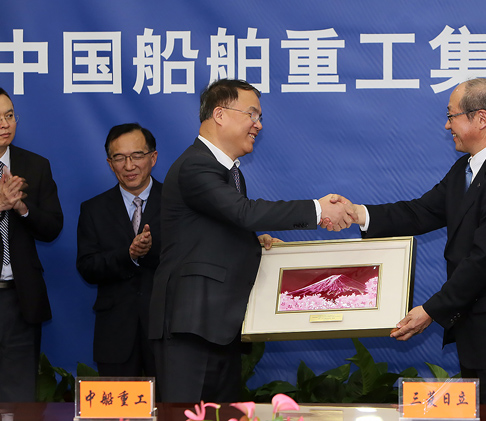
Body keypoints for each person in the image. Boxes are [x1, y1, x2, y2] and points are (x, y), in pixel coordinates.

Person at [334, 78, 486, 404]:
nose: (446, 125)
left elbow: (484, 261)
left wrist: (429, 311)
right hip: (482, 339)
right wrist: (358, 214)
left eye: (452, 116)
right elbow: (420, 213)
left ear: (481, 119)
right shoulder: (465, 169)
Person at [148, 78, 355, 402]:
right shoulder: (195, 165)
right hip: (190, 324)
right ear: (220, 114)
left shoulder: (229, 172)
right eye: (252, 114)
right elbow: (243, 212)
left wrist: (250, 243)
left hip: (217, 325)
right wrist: (317, 209)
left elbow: (220, 227)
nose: (258, 125)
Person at [77, 123, 161, 378]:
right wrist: (129, 255)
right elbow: (88, 267)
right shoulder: (93, 209)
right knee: (119, 414)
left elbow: (189, 256)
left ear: (153, 158)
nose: (129, 165)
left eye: (137, 155)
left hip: (166, 332)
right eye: (119, 158)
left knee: (173, 411)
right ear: (109, 162)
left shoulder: (177, 203)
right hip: (115, 336)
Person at [0, 87, 63, 401]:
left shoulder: (35, 166)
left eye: (9, 115)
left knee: (19, 393)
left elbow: (52, 227)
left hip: (18, 297)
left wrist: (22, 208)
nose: (4, 124)